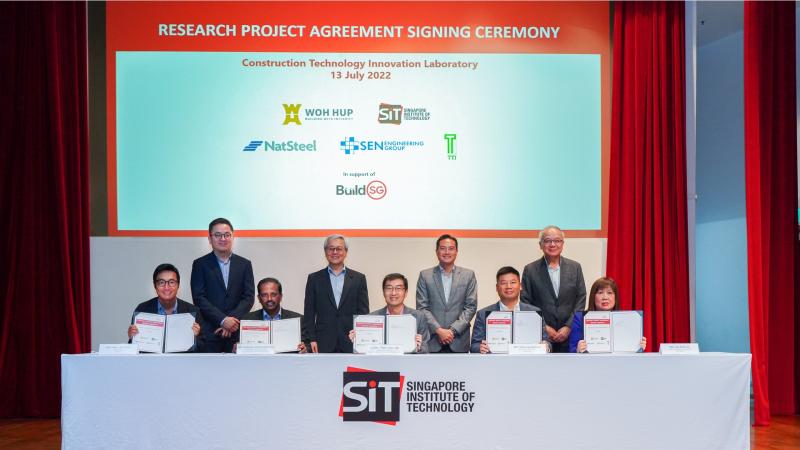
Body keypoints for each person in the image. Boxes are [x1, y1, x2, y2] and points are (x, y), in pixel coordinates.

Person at [190, 218, 255, 352]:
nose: (223, 239)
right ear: (210, 238)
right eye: (218, 235)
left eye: (227, 235)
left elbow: (248, 297)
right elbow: (198, 298)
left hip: (236, 333)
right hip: (210, 333)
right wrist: (223, 320)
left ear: (233, 237)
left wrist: (231, 321)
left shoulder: (244, 264)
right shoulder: (200, 264)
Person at [520, 225, 586, 353]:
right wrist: (544, 327)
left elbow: (581, 298)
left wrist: (569, 326)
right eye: (547, 241)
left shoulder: (575, 267)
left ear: (562, 244)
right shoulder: (530, 270)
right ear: (540, 245)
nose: (552, 244)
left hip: (570, 335)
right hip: (542, 336)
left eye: (557, 240)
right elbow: (526, 302)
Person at [302, 234, 369, 353]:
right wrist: (310, 339)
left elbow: (363, 313)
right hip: (322, 341)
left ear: (346, 252)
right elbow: (309, 313)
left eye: (339, 249)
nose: (335, 252)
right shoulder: (314, 279)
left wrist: (362, 336)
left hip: (351, 341)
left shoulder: (359, 278)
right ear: (325, 251)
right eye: (331, 248)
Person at [416, 234, 477, 353]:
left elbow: (471, 306)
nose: (447, 252)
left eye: (451, 248)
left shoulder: (468, 275)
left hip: (459, 340)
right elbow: (422, 307)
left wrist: (452, 331)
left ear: (456, 252)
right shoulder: (425, 275)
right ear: (437, 251)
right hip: (433, 340)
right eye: (443, 248)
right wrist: (439, 330)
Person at [471, 266, 550, 354]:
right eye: (503, 283)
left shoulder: (534, 313)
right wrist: (480, 348)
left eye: (513, 282)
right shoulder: (482, 314)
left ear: (520, 286)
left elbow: (547, 342)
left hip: (527, 360)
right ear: (497, 287)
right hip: (495, 361)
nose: (508, 286)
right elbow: (474, 345)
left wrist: (546, 346)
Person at [128, 263, 202, 351]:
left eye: (171, 282)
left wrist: (195, 338)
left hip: (181, 360)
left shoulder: (192, 312)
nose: (166, 287)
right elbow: (134, 350)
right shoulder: (142, 310)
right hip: (151, 360)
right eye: (161, 282)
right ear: (155, 286)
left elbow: (204, 348)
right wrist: (132, 338)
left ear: (178, 285)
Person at [348, 273, 430, 353]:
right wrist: (358, 341)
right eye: (389, 288)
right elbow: (365, 352)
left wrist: (419, 347)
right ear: (383, 292)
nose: (393, 293)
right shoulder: (371, 318)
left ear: (406, 292)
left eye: (398, 288)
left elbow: (426, 348)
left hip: (408, 361)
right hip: (380, 362)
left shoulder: (418, 317)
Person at [570, 277, 647, 353]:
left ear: (615, 297)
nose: (605, 297)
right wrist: (577, 350)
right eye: (600, 293)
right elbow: (571, 349)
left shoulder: (626, 319)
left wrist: (638, 347)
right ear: (593, 297)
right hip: (590, 360)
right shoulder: (580, 318)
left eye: (609, 293)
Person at [239, 277, 306, 353]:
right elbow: (239, 347)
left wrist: (305, 348)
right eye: (264, 295)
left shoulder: (298, 320)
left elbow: (308, 345)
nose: (269, 299)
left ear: (280, 297)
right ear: (259, 298)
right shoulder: (247, 320)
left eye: (273, 294)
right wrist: (238, 348)